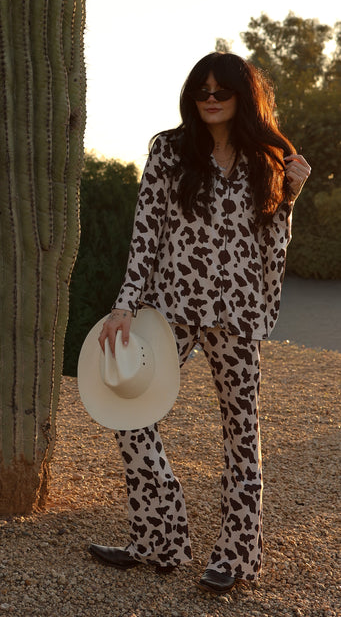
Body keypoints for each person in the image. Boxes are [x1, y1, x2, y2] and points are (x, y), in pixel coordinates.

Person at [88, 52, 310, 594]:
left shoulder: (266, 159)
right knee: (126, 408)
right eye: (202, 90)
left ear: (243, 97)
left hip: (236, 312)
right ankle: (161, 534)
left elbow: (269, 241)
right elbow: (147, 230)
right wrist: (126, 303)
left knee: (242, 435)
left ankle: (237, 556)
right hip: (171, 306)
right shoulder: (168, 151)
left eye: (222, 91)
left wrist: (291, 195)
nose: (211, 98)